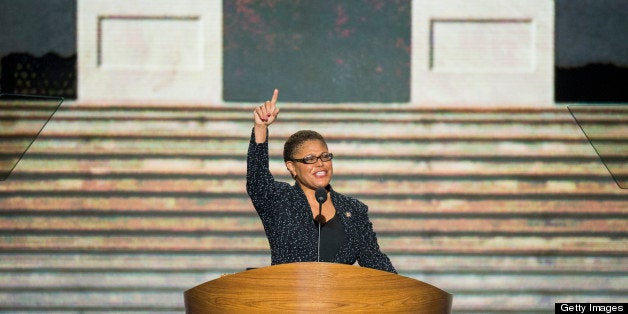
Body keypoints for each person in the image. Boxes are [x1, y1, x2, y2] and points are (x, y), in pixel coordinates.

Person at [246, 88, 396, 273]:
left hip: (340, 300)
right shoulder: (279, 200)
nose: (320, 164)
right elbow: (257, 179)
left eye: (325, 156)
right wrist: (261, 128)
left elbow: (376, 263)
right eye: (310, 159)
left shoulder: (354, 210)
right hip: (287, 298)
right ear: (291, 167)